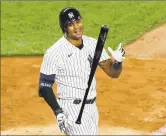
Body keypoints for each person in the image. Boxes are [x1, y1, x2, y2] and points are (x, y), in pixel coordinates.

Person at [38, 7, 125, 135]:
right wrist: (58, 112)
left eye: (78, 22)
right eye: (70, 24)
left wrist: (117, 62)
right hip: (71, 110)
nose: (76, 27)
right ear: (64, 28)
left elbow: (113, 73)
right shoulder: (54, 52)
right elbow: (44, 87)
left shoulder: (92, 44)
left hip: (91, 108)